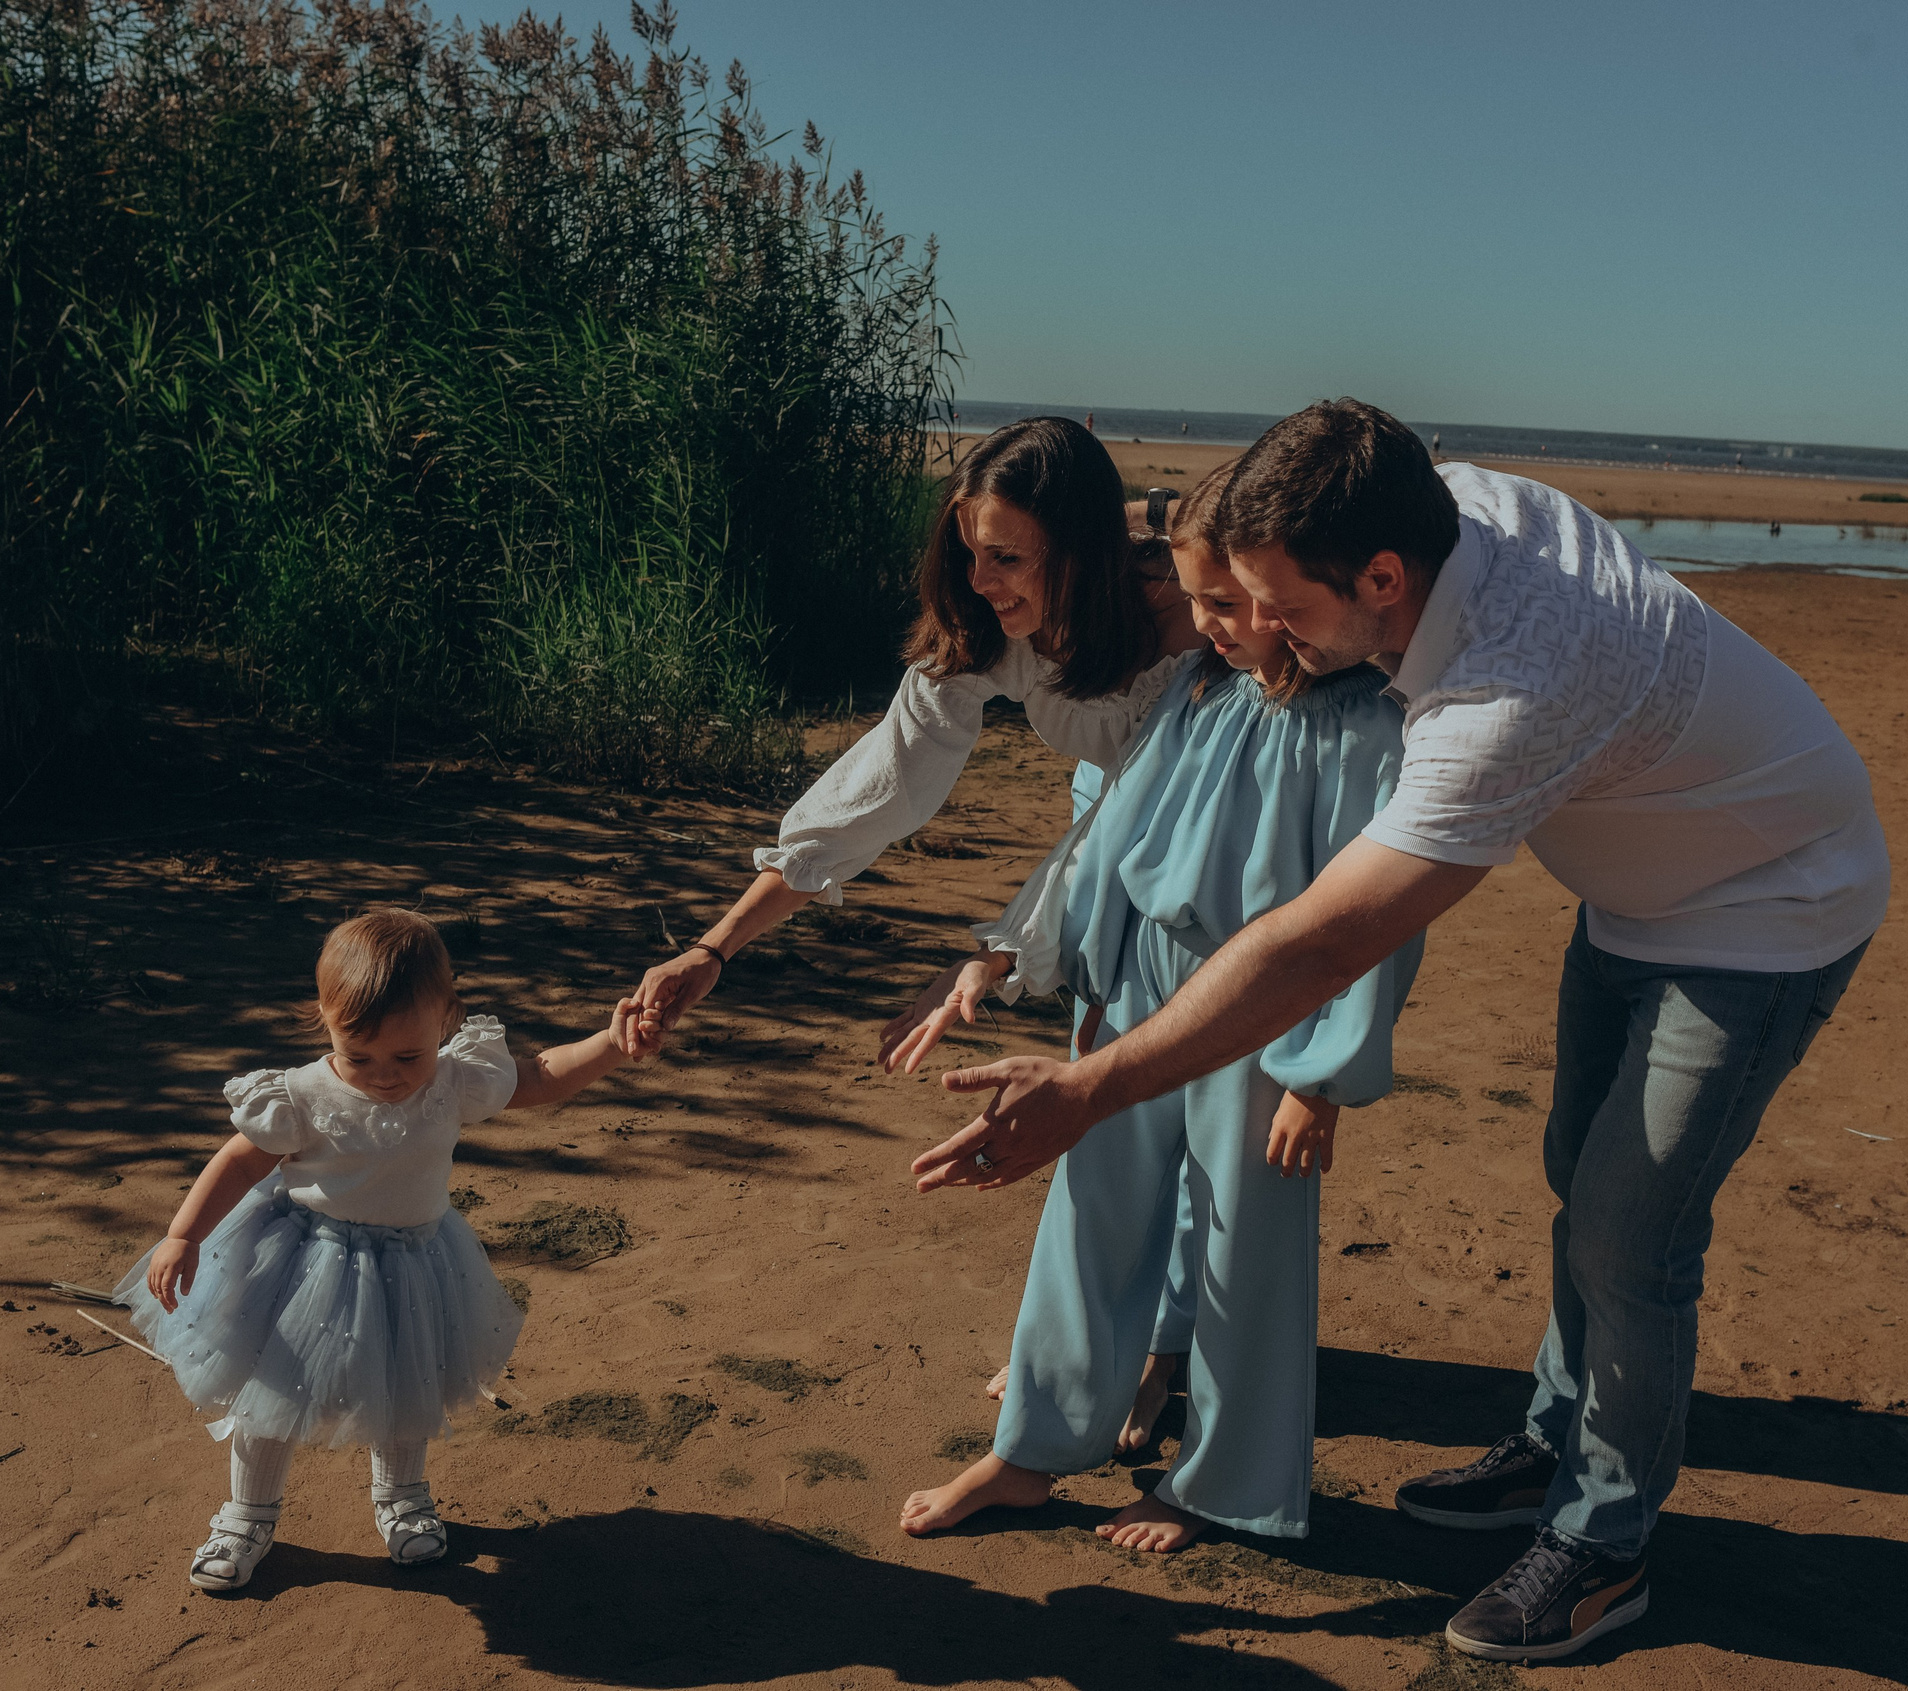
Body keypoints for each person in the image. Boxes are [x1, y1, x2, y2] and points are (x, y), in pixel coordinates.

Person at [912, 399, 1888, 1663]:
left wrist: (1094, 1083)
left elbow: (1321, 941)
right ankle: (1551, 1435)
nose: (1257, 630)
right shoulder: (1425, 502)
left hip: (1766, 905)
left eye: (1285, 609)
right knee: (1572, 1178)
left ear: (1380, 578)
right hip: (1636, 894)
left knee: (1627, 1228)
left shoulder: (1502, 699)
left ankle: (1603, 1546)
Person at [895, 464, 1421, 1551]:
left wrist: (1322, 1078)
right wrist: (1047, 958)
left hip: (1265, 1022)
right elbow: (1108, 836)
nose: (1205, 625)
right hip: (1133, 991)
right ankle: (1030, 1449)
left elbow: (1374, 922)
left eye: (1227, 605)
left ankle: (1221, 1482)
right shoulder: (1196, 690)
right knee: (1088, 1213)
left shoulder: (1367, 726)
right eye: (1198, 603)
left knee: (1245, 1249)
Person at [115, 910, 659, 1592]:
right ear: (326, 1019)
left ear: (446, 1020)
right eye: (359, 1054)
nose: (387, 1076)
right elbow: (240, 1161)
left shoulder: (456, 1079)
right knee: (269, 1391)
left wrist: (612, 1041)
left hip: (415, 1263)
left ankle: (401, 1499)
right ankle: (246, 1514)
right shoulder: (302, 1095)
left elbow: (542, 1074)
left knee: (408, 1383)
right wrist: (183, 1233)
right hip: (300, 1261)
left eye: (409, 1056)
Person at [629, 416, 1199, 1049]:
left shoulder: (1201, 615)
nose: (980, 582)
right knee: (1105, 1025)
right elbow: (877, 788)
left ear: (1080, 549)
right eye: (970, 554)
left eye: (1005, 557)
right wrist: (714, 949)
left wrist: (1002, 950)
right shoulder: (986, 630)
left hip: (1199, 812)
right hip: (1105, 794)